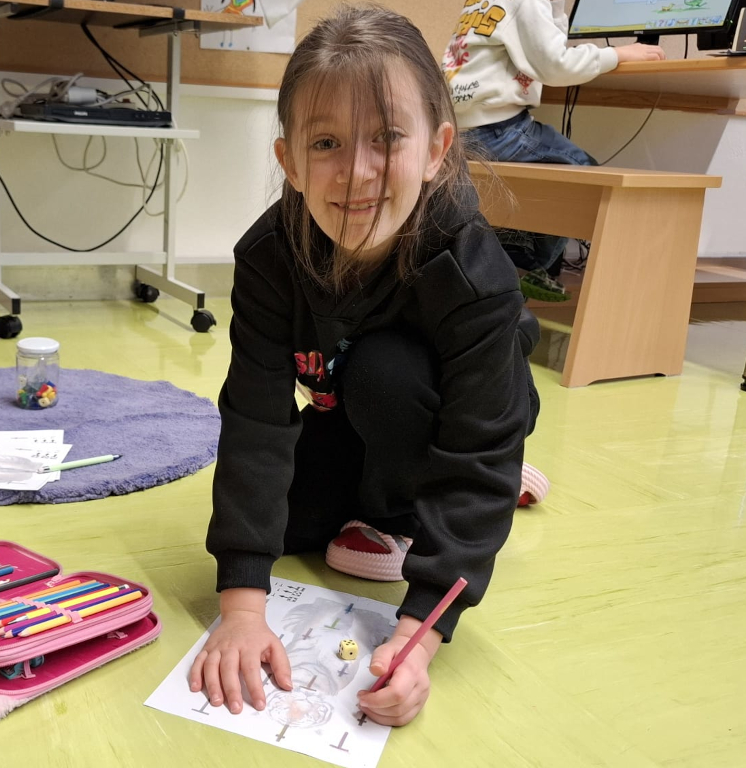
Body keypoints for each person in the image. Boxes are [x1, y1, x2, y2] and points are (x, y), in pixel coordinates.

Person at [188, 5, 548, 727]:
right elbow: (257, 420)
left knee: (387, 374)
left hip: (462, 406)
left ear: (437, 149)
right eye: (326, 143)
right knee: (292, 524)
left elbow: (477, 449)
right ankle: (387, 493)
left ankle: (438, 497)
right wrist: (241, 608)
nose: (357, 173)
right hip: (344, 407)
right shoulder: (267, 258)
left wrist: (420, 634)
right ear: (290, 162)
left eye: (387, 138)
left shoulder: (471, 272)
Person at [442, 0, 665, 301]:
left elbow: (546, 41)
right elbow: (555, 65)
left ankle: (513, 257)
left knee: (547, 182)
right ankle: (531, 265)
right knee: (586, 179)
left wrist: (556, 8)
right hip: (501, 130)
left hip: (464, 133)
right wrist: (618, 54)